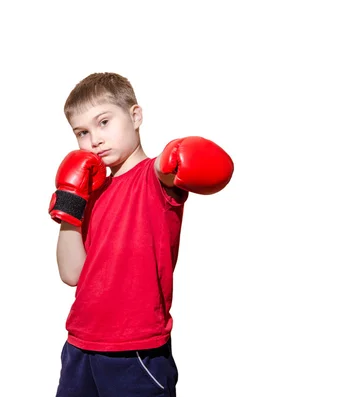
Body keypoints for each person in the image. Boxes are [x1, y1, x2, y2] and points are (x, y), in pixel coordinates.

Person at [48, 72, 234, 396]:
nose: (94, 139)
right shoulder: (90, 193)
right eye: (82, 132)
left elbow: (169, 167)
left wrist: (175, 154)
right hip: (79, 343)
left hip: (135, 350)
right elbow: (71, 273)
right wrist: (70, 205)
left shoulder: (154, 179)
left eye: (103, 122)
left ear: (135, 116)